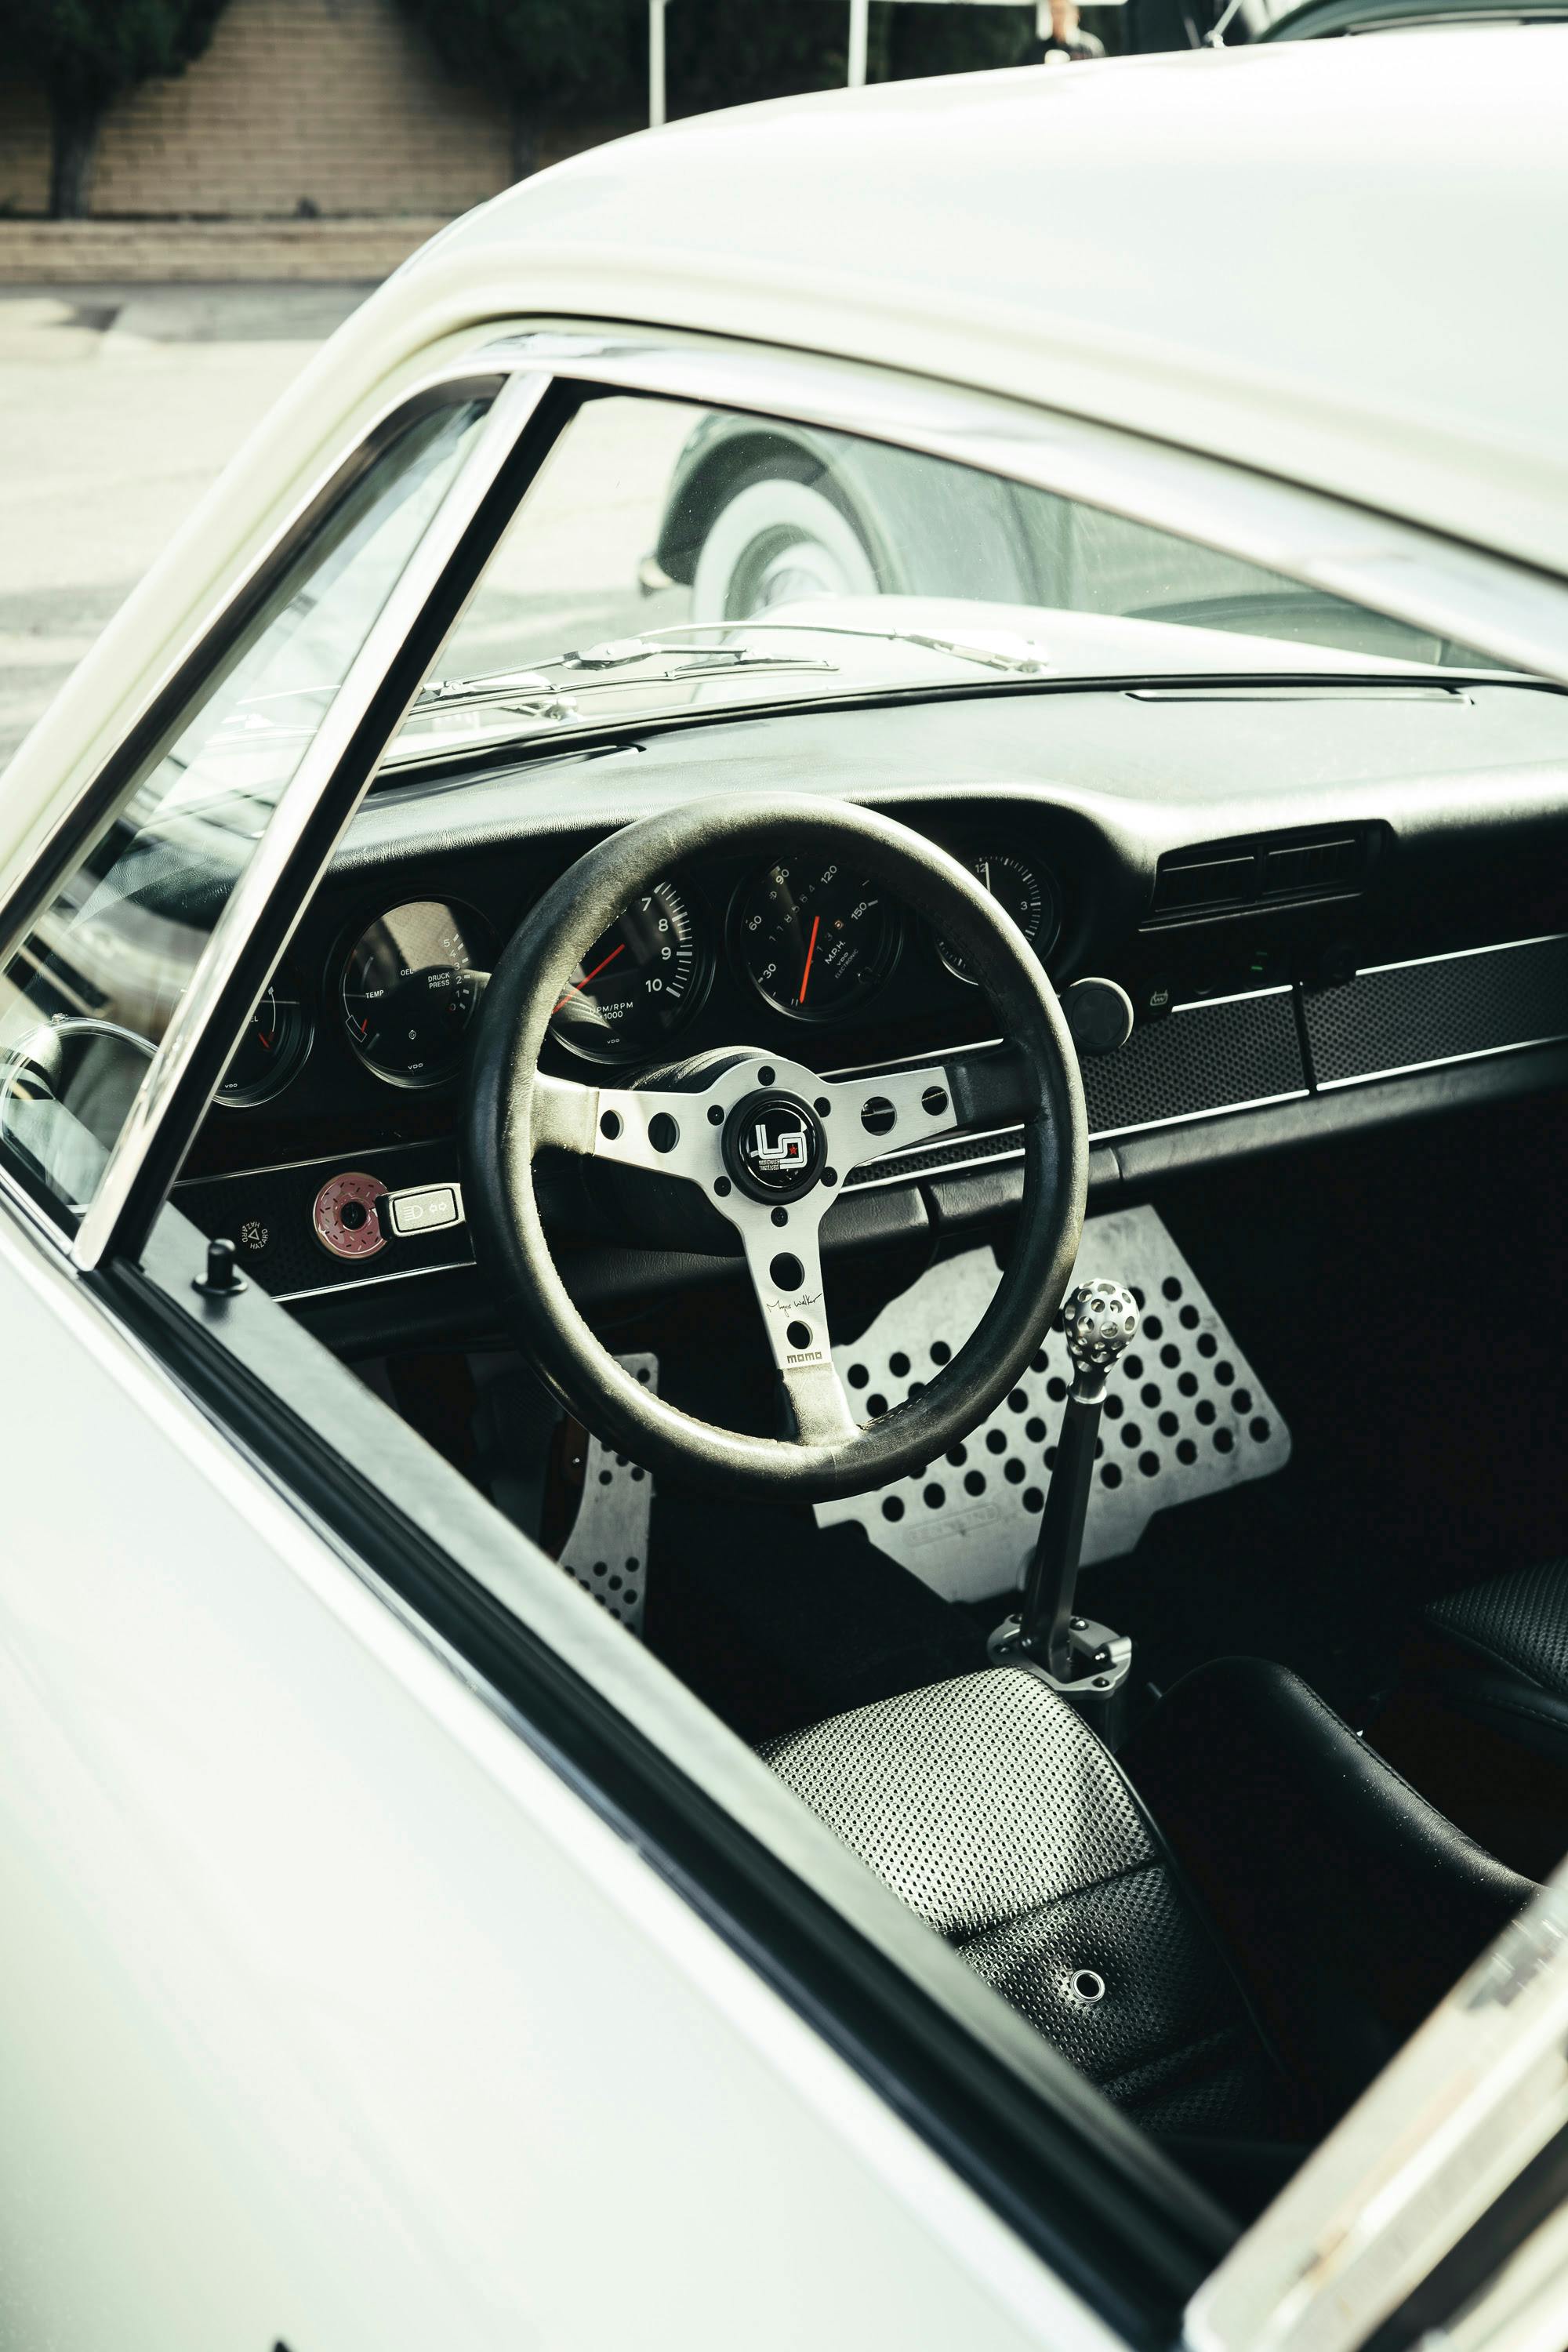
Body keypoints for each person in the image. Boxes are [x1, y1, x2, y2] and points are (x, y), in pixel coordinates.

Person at [1034, 0, 1106, 62]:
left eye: (1061, 11)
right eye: (1053, 11)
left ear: (1075, 14)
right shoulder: (1038, 49)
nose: (1056, 17)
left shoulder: (1091, 46)